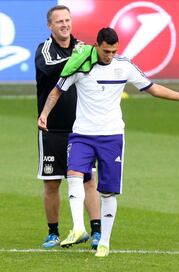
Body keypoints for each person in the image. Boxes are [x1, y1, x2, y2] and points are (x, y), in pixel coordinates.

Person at [37, 27, 179, 257]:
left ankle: (104, 243)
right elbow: (56, 91)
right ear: (97, 45)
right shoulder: (80, 65)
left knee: (108, 192)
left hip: (111, 136)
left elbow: (153, 89)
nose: (110, 55)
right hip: (82, 133)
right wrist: (44, 114)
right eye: (106, 51)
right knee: (73, 175)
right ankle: (79, 227)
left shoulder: (124, 66)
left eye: (114, 51)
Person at [35, 5, 101, 249]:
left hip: (82, 128)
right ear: (50, 26)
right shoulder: (45, 49)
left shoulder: (82, 48)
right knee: (52, 182)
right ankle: (53, 232)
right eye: (59, 21)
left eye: (67, 20)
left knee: (88, 179)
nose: (64, 24)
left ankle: (96, 231)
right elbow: (52, 68)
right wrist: (78, 59)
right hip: (51, 127)